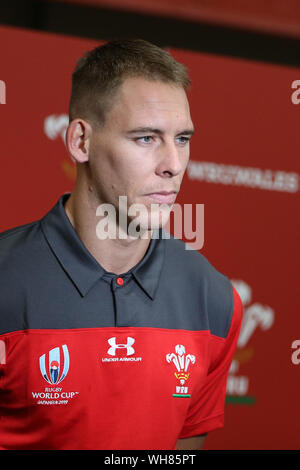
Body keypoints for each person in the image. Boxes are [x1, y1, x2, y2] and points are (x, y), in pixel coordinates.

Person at [0, 39, 242, 450]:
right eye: (146, 138)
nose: (173, 165)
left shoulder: (214, 298)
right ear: (80, 142)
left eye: (182, 138)